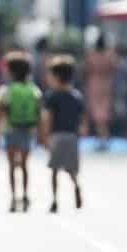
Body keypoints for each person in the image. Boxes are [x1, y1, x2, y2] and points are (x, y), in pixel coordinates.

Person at [0, 51, 44, 213]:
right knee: (24, 165)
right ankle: (26, 195)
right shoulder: (34, 90)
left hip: (10, 131)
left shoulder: (6, 91)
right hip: (27, 131)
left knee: (11, 167)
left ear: (11, 71)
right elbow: (39, 113)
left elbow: (1, 115)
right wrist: (41, 134)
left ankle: (14, 197)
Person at [42, 55, 85, 213]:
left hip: (57, 136)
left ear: (56, 76)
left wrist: (45, 136)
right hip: (72, 136)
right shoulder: (77, 96)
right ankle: (76, 187)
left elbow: (48, 118)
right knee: (71, 169)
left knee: (54, 170)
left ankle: (54, 199)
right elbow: (82, 119)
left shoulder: (52, 97)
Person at [84, 33, 118, 149]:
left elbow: (87, 69)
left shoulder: (91, 55)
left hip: (94, 84)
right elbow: (115, 67)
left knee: (98, 113)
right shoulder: (110, 55)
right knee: (104, 112)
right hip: (107, 84)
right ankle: (103, 137)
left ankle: (102, 137)